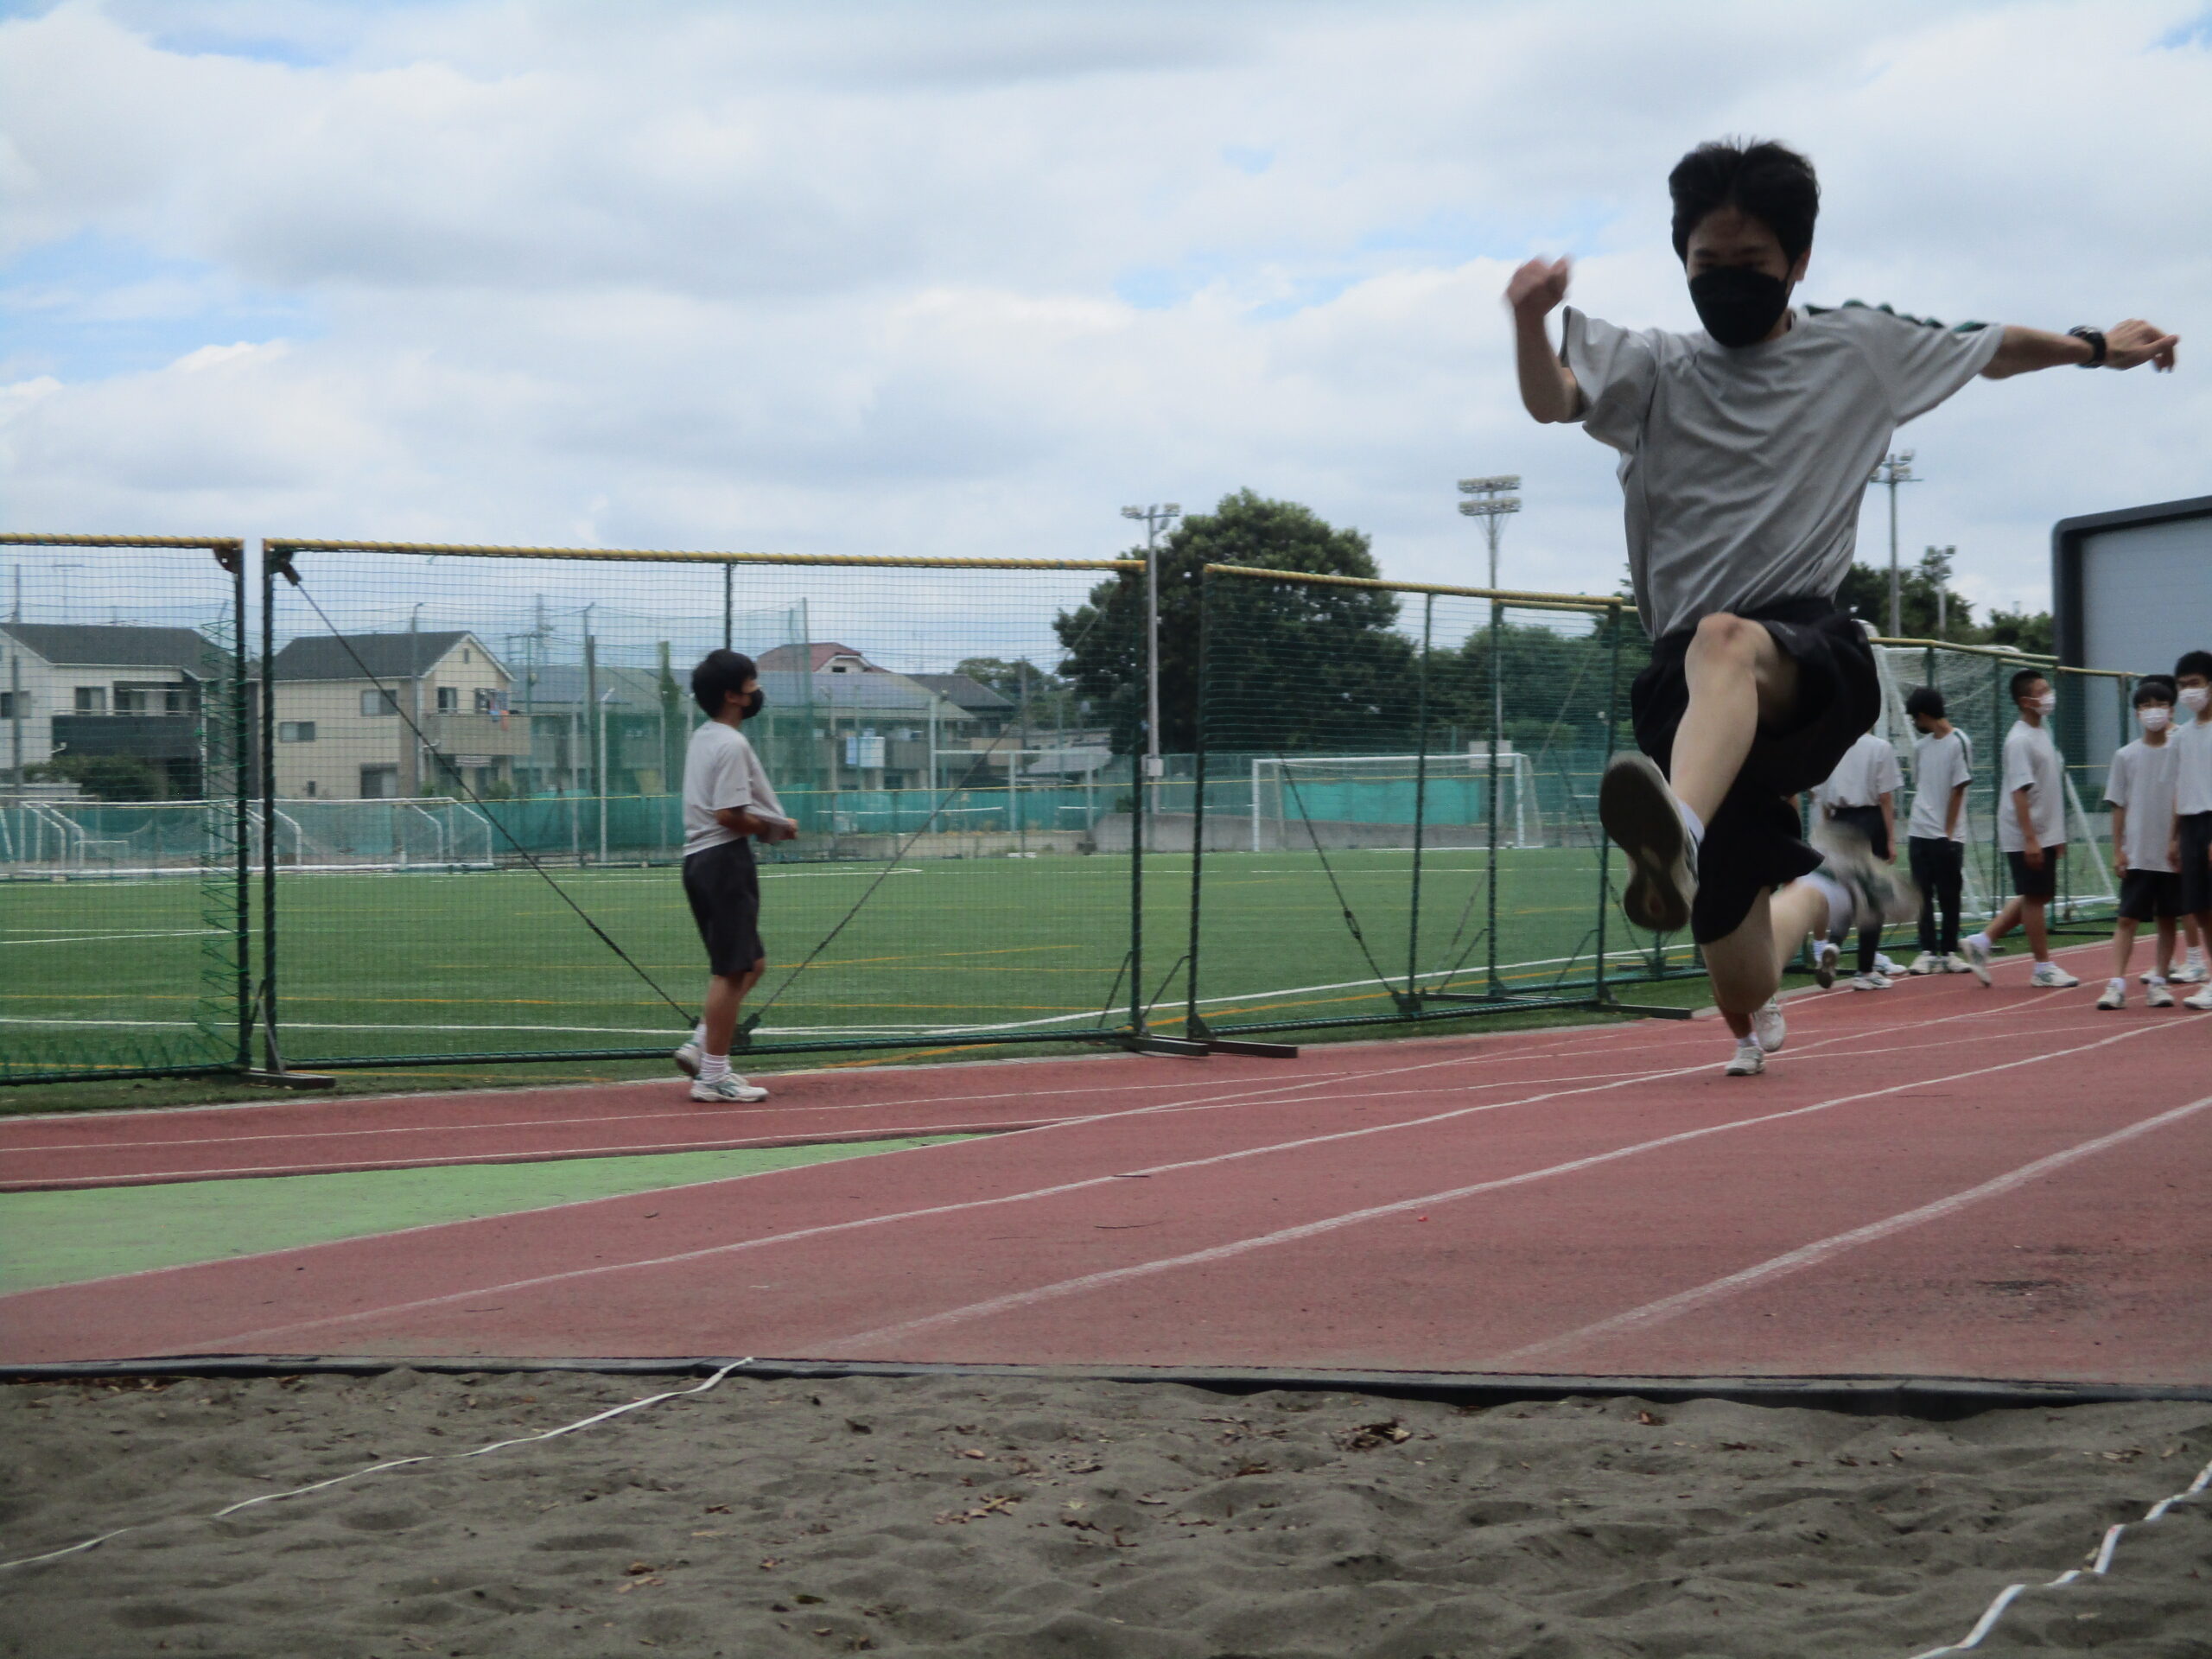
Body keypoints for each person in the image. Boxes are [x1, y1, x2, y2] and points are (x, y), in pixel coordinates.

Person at [1505, 137, 2177, 1075]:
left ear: (1798, 261)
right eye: (1707, 262)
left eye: (1750, 262)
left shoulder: (1858, 349)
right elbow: (1553, 400)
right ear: (1681, 260)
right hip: (1688, 697)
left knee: (1726, 639)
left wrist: (2095, 348)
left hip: (1808, 652)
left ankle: (1680, 831)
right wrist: (1527, 322)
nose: (1727, 279)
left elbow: (1989, 348)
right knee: (1738, 981)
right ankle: (1829, 893)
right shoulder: (1654, 366)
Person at [674, 650, 799, 1103]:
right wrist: (774, 828)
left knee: (751, 964)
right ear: (733, 695)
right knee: (730, 972)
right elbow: (727, 814)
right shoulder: (731, 745)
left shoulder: (704, 737)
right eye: (751, 683)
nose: (757, 690)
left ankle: (702, 1045)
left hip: (702, 861)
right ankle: (713, 1076)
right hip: (722, 860)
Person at [1961, 671, 2078, 987]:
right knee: (2035, 896)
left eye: (2048, 688)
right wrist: (2031, 839)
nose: (2049, 695)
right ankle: (2042, 968)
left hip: (2045, 832)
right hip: (2026, 833)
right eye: (2042, 691)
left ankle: (1982, 941)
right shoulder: (2019, 740)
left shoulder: (2041, 732)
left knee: (2040, 894)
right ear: (2026, 701)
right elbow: (2019, 792)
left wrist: (2055, 836)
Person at [2100, 677, 2183, 1008]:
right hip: (2137, 853)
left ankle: (2160, 981)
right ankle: (2116, 984)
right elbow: (2118, 805)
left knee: (2167, 919)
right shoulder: (2125, 756)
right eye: (2146, 706)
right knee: (2127, 919)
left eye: (2160, 705)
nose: (2153, 711)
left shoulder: (2180, 753)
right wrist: (2117, 849)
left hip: (2170, 854)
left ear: (2171, 710)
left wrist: (2177, 841)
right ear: (2137, 713)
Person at [1809, 726, 1903, 989]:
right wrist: (1891, 839)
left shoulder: (1832, 747)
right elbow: (1885, 798)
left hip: (1838, 822)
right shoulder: (1880, 747)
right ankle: (1865, 971)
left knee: (1848, 893)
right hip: (1870, 821)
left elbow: (1822, 799)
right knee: (1874, 898)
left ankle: (1833, 944)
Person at [1902, 686, 1976, 976]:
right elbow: (1922, 785)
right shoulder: (1921, 748)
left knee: (1949, 894)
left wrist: (1948, 832)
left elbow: (1959, 789)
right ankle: (1927, 951)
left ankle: (1948, 952)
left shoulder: (1959, 742)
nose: (1915, 723)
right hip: (1919, 829)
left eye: (1915, 718)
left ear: (1924, 715)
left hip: (1947, 835)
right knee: (1922, 893)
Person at [2171, 648, 2212, 1012]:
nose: (2188, 692)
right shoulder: (2181, 736)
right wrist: (2174, 837)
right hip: (2190, 823)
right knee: (2200, 906)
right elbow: (2178, 786)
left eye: (2195, 683)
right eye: (2182, 685)